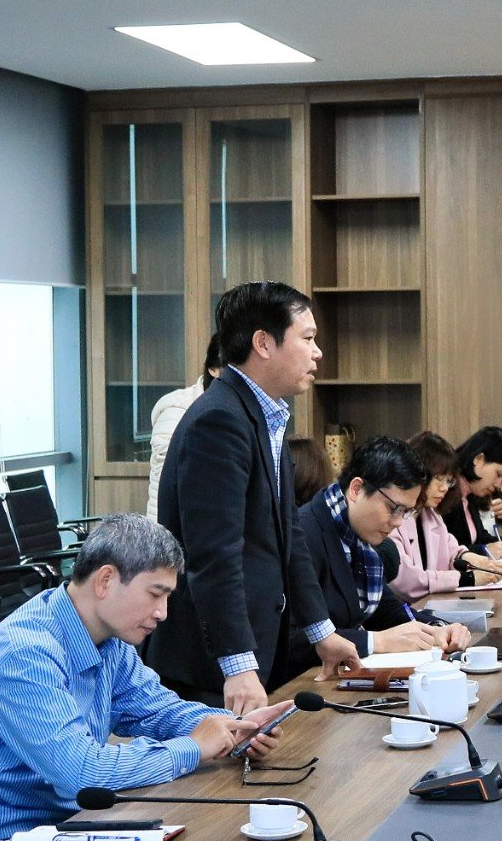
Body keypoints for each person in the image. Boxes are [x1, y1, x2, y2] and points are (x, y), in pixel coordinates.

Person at [0, 515, 290, 839]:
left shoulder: (108, 640)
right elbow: (82, 773)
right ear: (106, 581)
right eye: (155, 594)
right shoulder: (23, 653)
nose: (162, 613)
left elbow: (157, 710)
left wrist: (234, 727)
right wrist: (193, 747)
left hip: (48, 828)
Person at [152, 282, 362, 709]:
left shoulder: (264, 415)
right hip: (214, 669)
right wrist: (237, 664)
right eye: (307, 338)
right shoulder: (219, 420)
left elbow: (289, 537)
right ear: (263, 344)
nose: (318, 352)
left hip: (256, 653)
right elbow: (213, 554)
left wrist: (322, 632)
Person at [296, 436, 475, 666]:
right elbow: (290, 639)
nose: (398, 522)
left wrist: (436, 629)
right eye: (394, 508)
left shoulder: (357, 533)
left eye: (406, 512)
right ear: (357, 489)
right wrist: (375, 641)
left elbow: (385, 608)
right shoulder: (303, 534)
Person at [389, 430, 502, 601]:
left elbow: (450, 549)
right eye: (439, 478)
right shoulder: (392, 518)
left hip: (429, 606)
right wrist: (468, 579)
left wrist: (471, 558)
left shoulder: (430, 515)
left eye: (449, 481)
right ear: (417, 474)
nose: (445, 488)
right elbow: (406, 581)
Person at [146, 336, 225, 518]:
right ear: (213, 369)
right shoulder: (177, 412)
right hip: (172, 526)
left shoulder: (230, 408)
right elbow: (163, 484)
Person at [443, 424, 502, 557]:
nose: (499, 485)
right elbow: (443, 552)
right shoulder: (445, 493)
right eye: (499, 474)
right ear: (479, 460)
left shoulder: (470, 492)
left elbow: (480, 538)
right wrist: (483, 550)